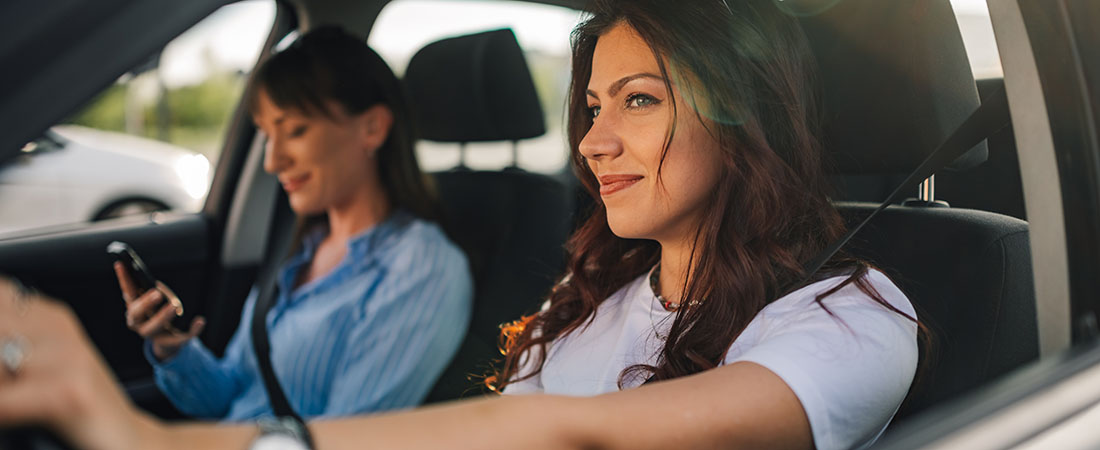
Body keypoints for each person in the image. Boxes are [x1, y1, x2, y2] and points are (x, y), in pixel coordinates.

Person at [0, 1, 918, 449]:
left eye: (638, 101)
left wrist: (137, 438)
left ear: (742, 119)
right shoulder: (590, 299)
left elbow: (566, 435)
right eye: (592, 105)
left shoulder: (853, 314)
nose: (593, 141)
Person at [115, 26, 473, 421]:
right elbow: (227, 396)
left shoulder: (420, 267)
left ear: (372, 128)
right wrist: (170, 346)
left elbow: (349, 440)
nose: (271, 162)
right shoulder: (301, 248)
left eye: (295, 131)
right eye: (268, 136)